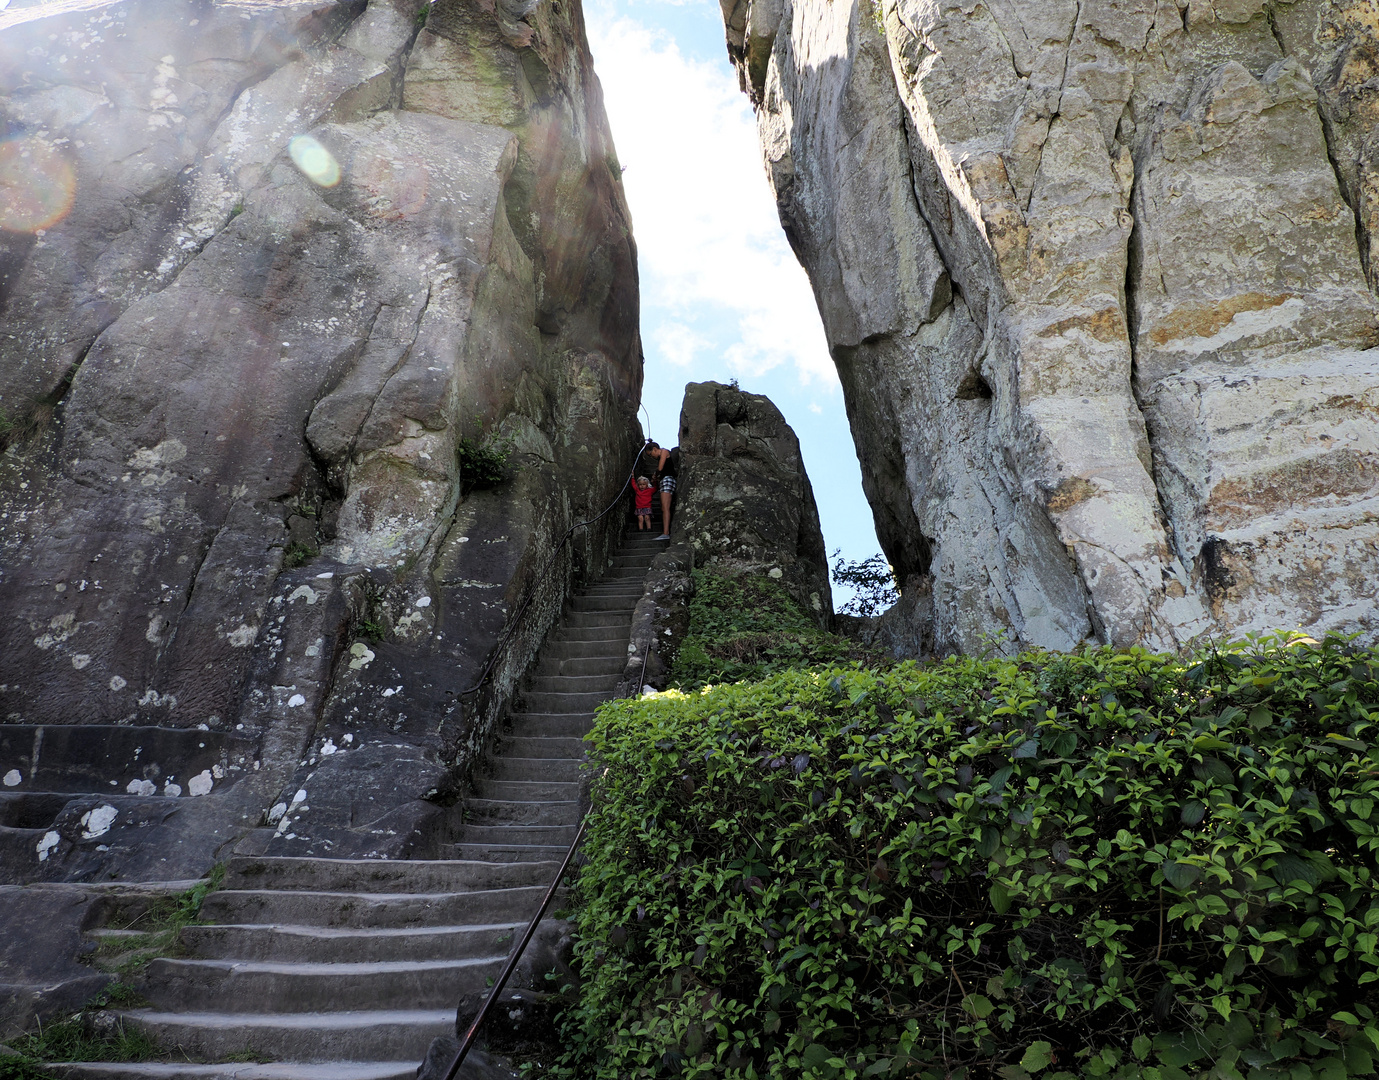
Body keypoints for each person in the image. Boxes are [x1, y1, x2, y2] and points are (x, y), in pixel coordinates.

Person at [643, 440, 678, 540]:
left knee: (665, 507)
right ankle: (665, 532)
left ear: (654, 449)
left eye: (650, 454)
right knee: (664, 507)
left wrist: (656, 474)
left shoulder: (664, 452)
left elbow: (661, 468)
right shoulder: (661, 456)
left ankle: (666, 533)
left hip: (668, 480)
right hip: (664, 481)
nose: (651, 457)